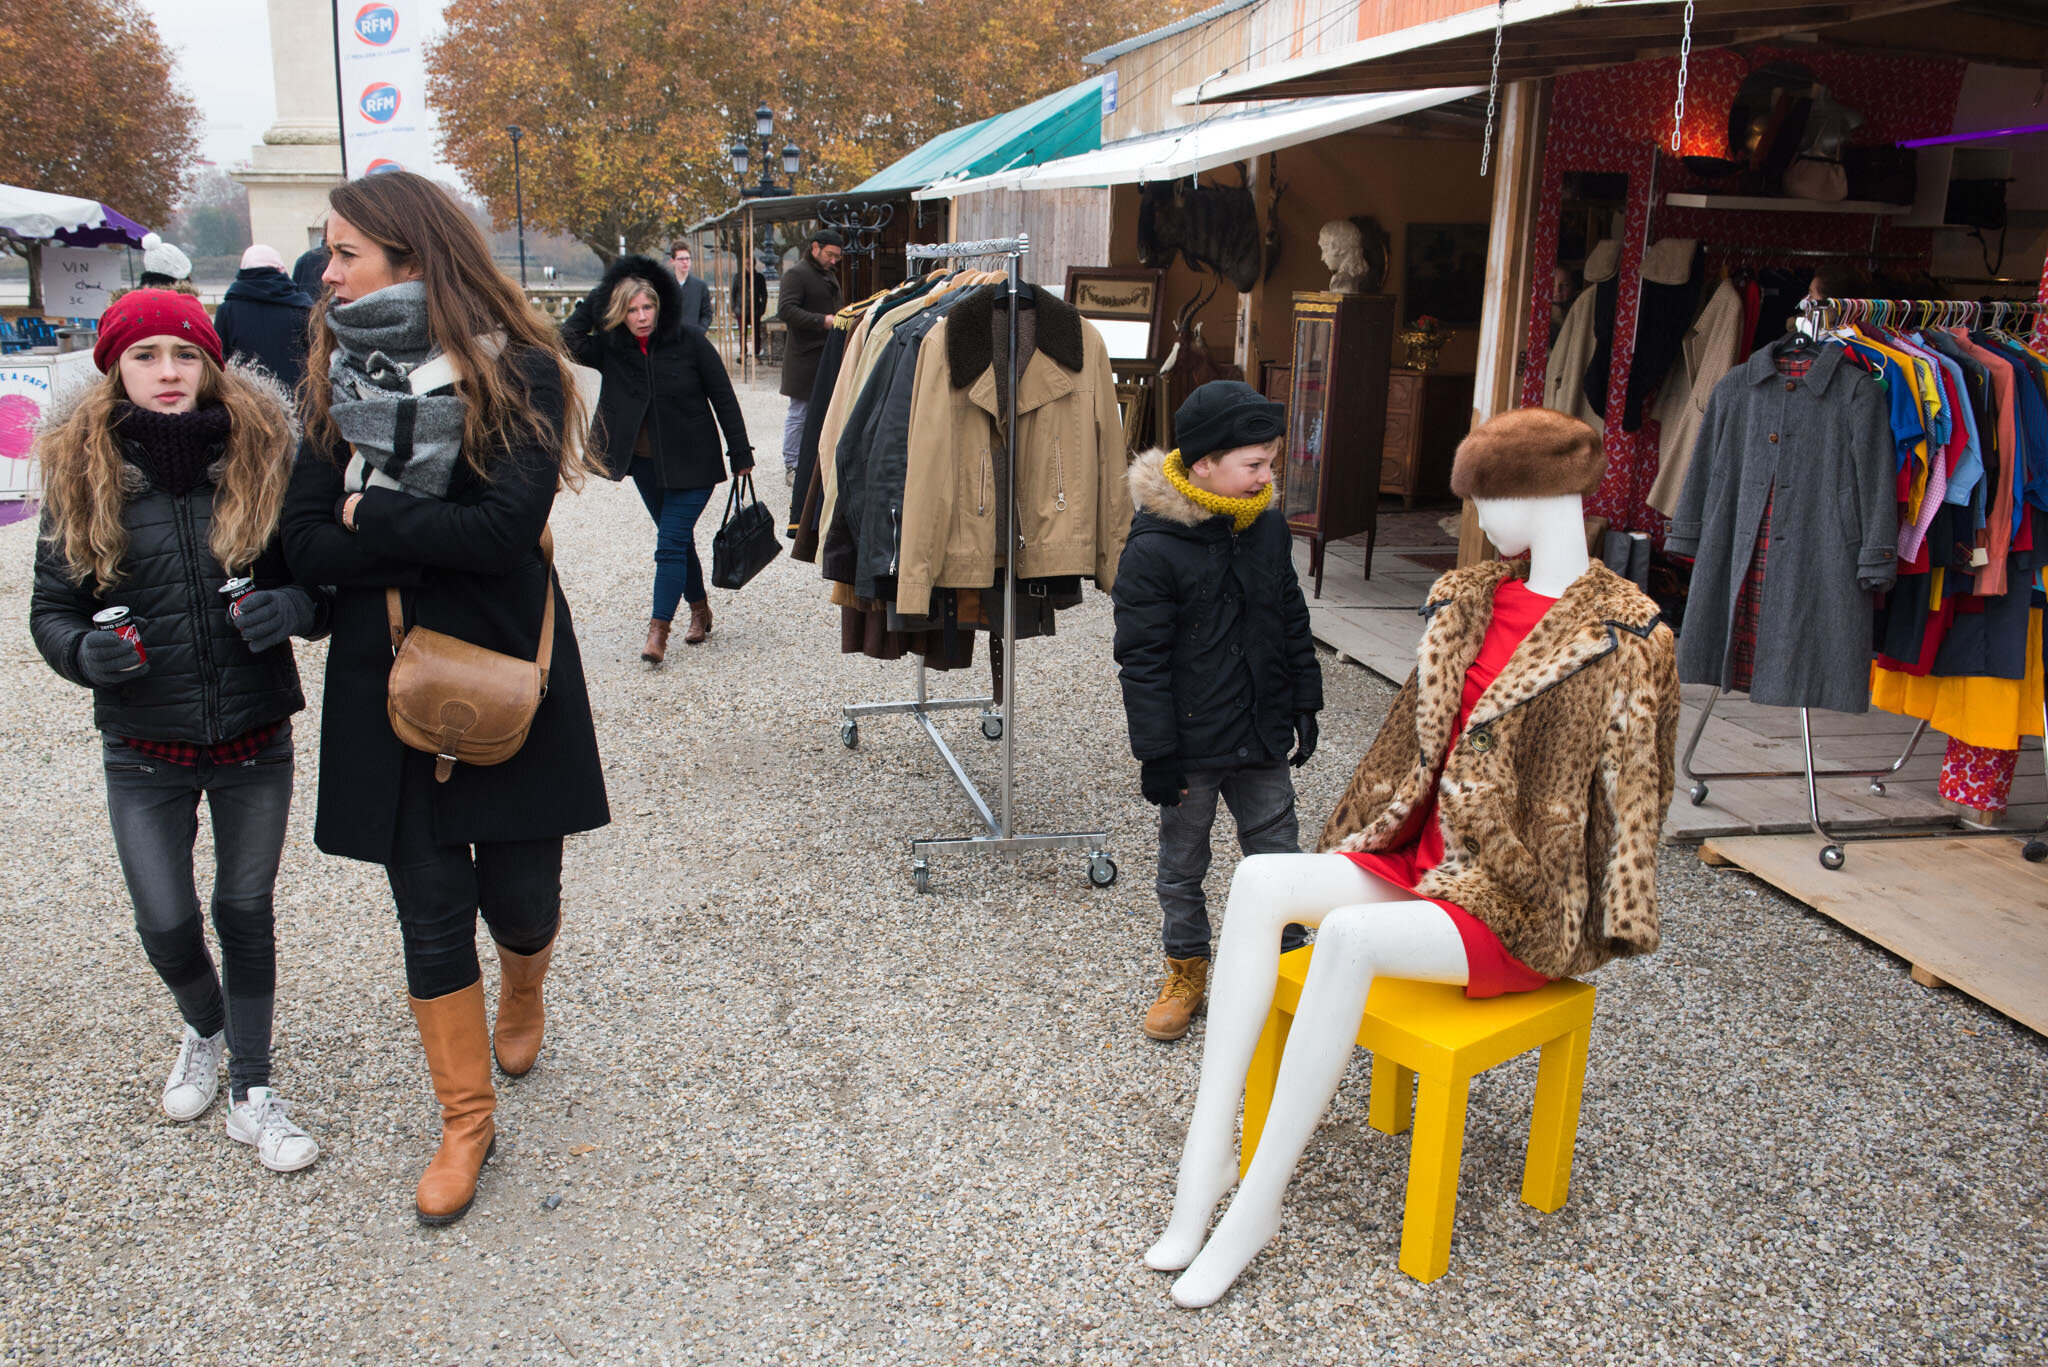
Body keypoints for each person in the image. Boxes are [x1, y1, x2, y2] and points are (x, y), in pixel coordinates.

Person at [1143, 409, 1678, 1308]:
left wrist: (1610, 922)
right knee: (1259, 877)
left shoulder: (1629, 636)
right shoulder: (1467, 598)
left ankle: (1258, 1205)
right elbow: (1402, 757)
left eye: (1485, 498)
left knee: (1347, 939)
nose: (1477, 520)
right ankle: (1206, 1163)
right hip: (1422, 863)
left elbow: (1638, 799)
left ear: (1536, 496)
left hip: (1518, 897)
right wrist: (1366, 832)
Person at [280, 169, 611, 1226]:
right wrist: (392, 539)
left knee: (520, 899)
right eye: (328, 252)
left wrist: (366, 526)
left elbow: (502, 534)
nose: (325, 274)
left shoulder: (523, 372)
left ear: (412, 257)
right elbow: (297, 538)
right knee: (428, 911)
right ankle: (464, 1118)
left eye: (345, 254)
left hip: (511, 670)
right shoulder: (335, 373)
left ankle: (524, 982)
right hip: (386, 683)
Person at [29, 289, 330, 1174]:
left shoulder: (263, 457)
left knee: (244, 910)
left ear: (212, 364)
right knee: (163, 919)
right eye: (146, 355)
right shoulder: (80, 473)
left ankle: (253, 1087)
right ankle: (205, 1025)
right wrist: (86, 651)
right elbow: (51, 611)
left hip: (250, 736)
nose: (167, 372)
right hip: (142, 745)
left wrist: (290, 607)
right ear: (115, 369)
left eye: (184, 355)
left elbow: (319, 593)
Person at [1112, 380, 1323, 1043]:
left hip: (1259, 732)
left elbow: (1290, 614)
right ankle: (1187, 968)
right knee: (1183, 863)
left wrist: (1305, 698)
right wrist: (1158, 753)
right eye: (1254, 464)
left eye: (1270, 463)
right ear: (1204, 462)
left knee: (1278, 852)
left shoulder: (1262, 526)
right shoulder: (1152, 549)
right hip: (1191, 747)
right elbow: (1141, 659)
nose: (1268, 476)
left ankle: (1289, 967)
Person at [562, 254, 753, 663]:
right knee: (678, 542)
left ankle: (658, 632)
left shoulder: (689, 341)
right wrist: (602, 293)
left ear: (660, 305)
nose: (641, 316)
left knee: (667, 546)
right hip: (646, 466)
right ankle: (700, 609)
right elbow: (567, 339)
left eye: (647, 306)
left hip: (694, 464)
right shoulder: (613, 346)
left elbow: (723, 396)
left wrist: (740, 452)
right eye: (631, 309)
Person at [775, 229, 844, 485]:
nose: (834, 260)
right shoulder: (797, 274)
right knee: (800, 412)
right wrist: (822, 321)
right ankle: (792, 465)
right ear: (815, 247)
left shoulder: (828, 274)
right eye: (830, 254)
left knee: (823, 409)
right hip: (803, 357)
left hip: (825, 355)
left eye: (837, 256)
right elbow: (786, 310)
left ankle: (815, 461)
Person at [213, 244, 317, 393]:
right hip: (297, 402)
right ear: (280, 269)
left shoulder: (227, 311)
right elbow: (317, 359)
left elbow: (218, 361)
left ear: (243, 270)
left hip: (247, 402)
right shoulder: (302, 308)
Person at [668, 243, 715, 331]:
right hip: (670, 339)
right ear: (672, 261)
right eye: (681, 259)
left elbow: (707, 314)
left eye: (687, 258)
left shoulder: (700, 286)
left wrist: (699, 331)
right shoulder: (664, 285)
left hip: (693, 338)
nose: (685, 262)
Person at [732, 254, 769, 360]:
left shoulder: (759, 278)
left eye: (750, 263)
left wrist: (762, 309)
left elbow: (764, 294)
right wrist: (734, 308)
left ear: (754, 264)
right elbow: (733, 293)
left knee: (756, 334)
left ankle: (756, 355)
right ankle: (742, 354)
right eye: (746, 263)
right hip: (741, 309)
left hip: (755, 310)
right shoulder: (738, 277)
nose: (748, 265)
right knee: (742, 334)